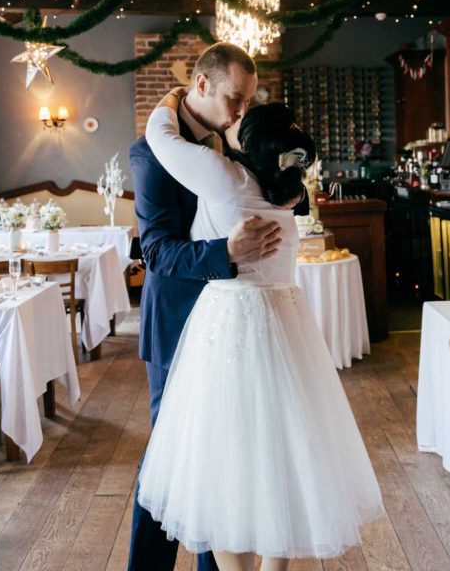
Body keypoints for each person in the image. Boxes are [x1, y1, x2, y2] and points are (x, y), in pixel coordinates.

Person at [135, 91, 383, 571]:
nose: (236, 112)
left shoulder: (227, 179)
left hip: (231, 326)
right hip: (286, 327)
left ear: (247, 142)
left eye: (244, 112)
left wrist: (172, 96)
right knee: (281, 461)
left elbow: (159, 137)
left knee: (223, 467)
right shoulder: (286, 193)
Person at [127, 43, 283, 571]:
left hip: (228, 323)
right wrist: (227, 254)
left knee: (224, 455)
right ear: (200, 87)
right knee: (172, 457)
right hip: (176, 322)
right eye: (234, 99)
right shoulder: (149, 154)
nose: (242, 111)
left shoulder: (229, 144)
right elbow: (155, 251)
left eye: (247, 101)